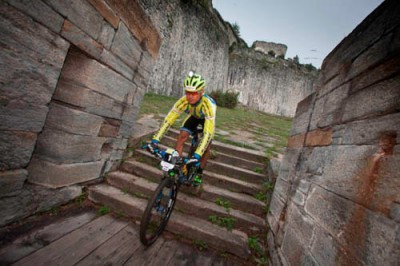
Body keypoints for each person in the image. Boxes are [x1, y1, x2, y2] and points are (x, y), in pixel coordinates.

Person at [148, 72, 217, 186]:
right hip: (194, 116)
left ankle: (199, 172)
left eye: (193, 93)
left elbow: (208, 133)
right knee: (182, 136)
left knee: (207, 147)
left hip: (206, 119)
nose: (189, 96)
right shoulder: (183, 100)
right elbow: (168, 120)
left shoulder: (208, 105)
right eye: (187, 93)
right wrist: (155, 140)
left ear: (201, 92)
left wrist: (197, 156)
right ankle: (176, 166)